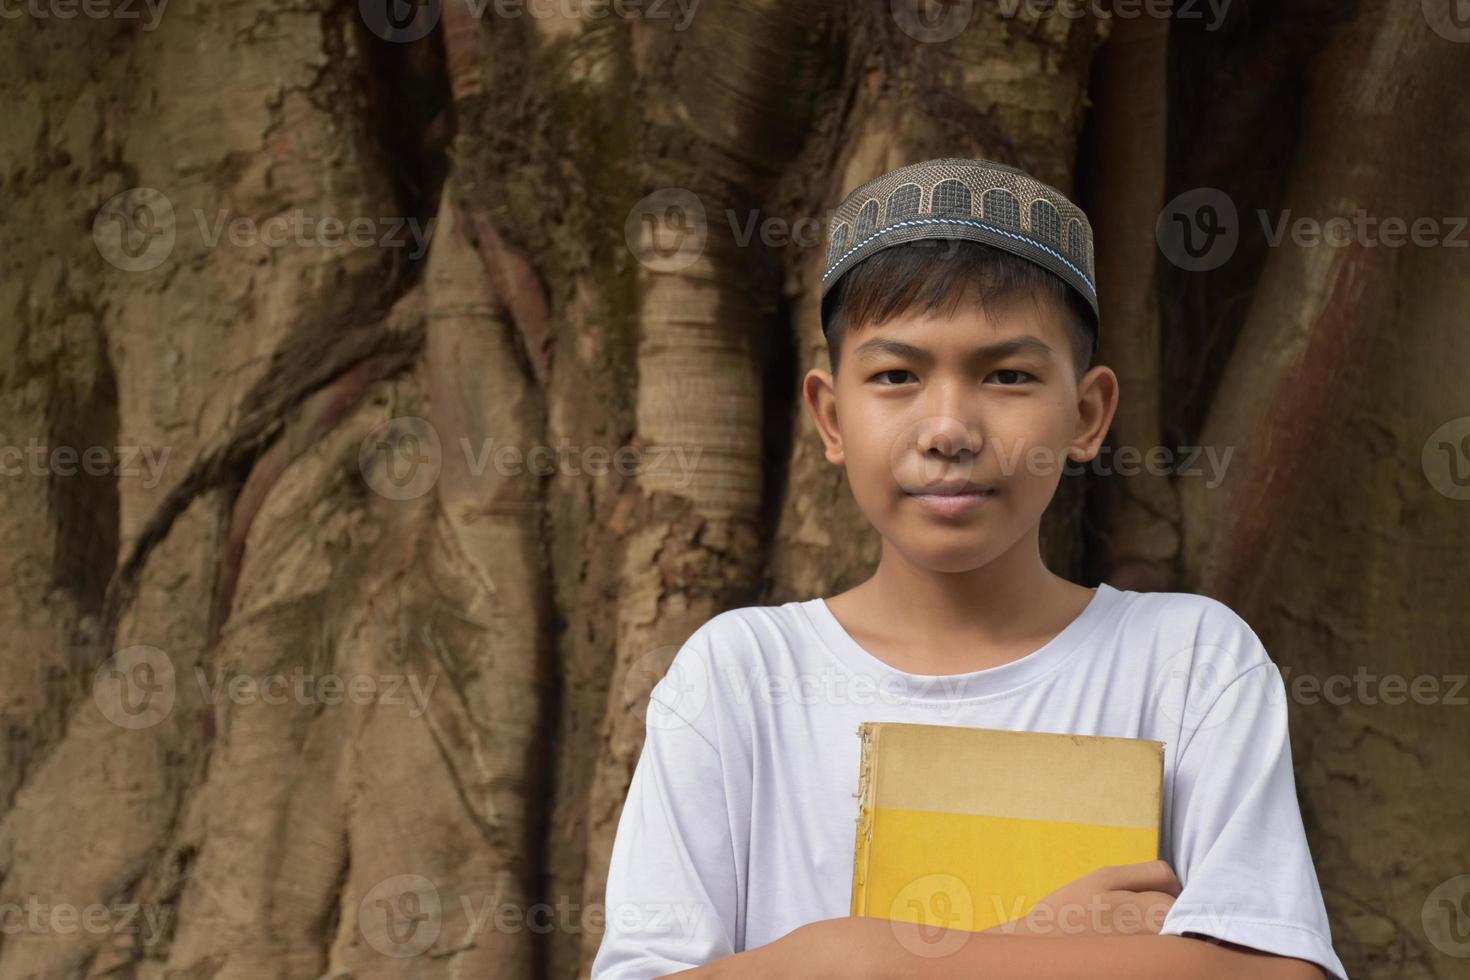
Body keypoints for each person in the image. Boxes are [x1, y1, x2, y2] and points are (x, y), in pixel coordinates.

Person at [589, 158, 1347, 980]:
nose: (948, 427)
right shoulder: (741, 677)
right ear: (832, 416)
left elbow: (1277, 971)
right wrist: (1040, 944)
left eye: (1008, 375)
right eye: (897, 377)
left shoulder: (1188, 663)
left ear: (1087, 415)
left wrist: (852, 959)